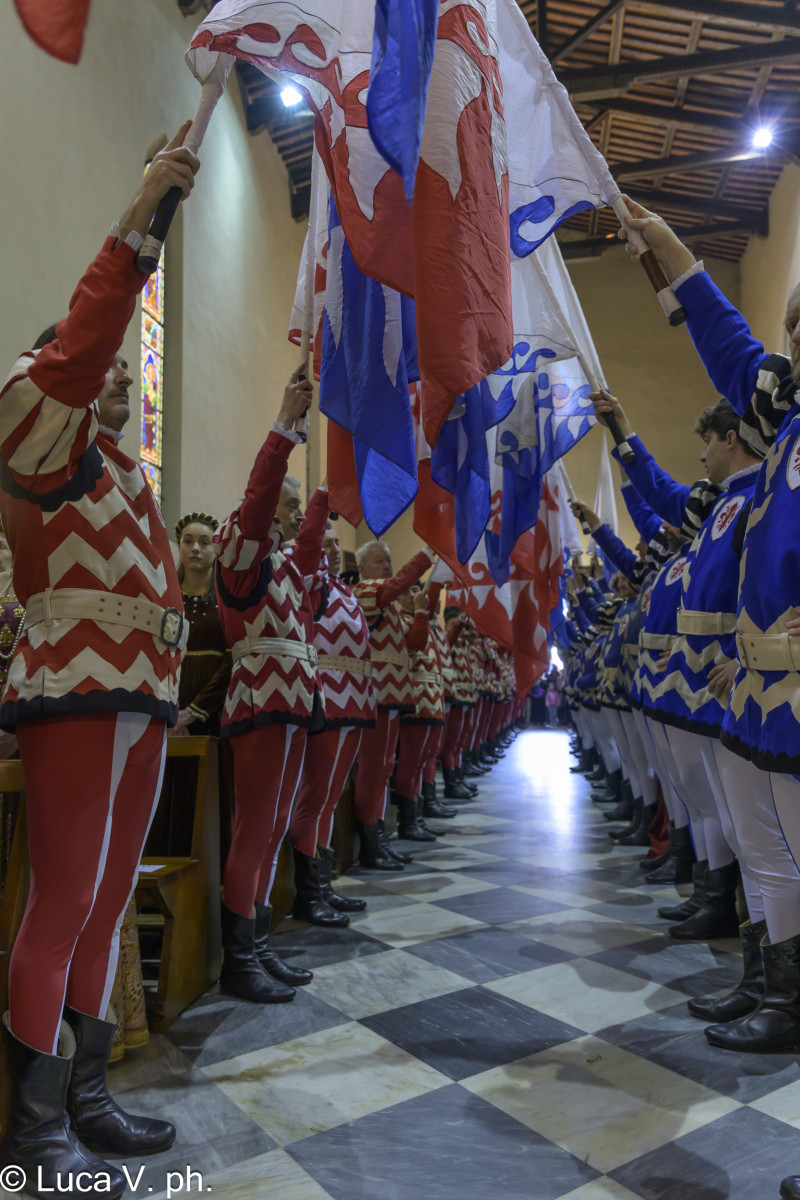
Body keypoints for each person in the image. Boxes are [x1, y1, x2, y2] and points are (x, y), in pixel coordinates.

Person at [0, 126, 200, 1196]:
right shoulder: (41, 431)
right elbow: (80, 346)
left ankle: (84, 1098)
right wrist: (141, 221)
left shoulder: (120, 471)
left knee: (108, 899)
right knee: (63, 900)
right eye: (101, 365)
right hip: (74, 689)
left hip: (140, 695)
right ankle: (33, 1137)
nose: (117, 369)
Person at [214, 397, 322, 1007]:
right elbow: (258, 501)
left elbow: (307, 543)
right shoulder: (241, 546)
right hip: (260, 696)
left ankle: (256, 943)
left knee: (275, 824)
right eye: (289, 502)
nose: (294, 512)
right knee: (254, 829)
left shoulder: (282, 562)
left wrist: (326, 496)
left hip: (293, 698)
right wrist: (283, 430)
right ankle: (238, 962)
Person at [289, 502, 376, 924]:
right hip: (327, 699)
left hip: (353, 701)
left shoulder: (342, 589)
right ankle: (307, 894)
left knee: (328, 799)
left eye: (337, 543)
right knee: (315, 799)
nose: (334, 550)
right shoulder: (308, 581)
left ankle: (323, 885)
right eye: (325, 543)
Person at [351, 540, 435, 862]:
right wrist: (426, 555)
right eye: (379, 561)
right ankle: (371, 844)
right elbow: (397, 584)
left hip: (393, 693)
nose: (386, 566)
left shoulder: (387, 604)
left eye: (388, 560)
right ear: (362, 569)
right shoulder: (366, 592)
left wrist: (421, 611)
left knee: (384, 767)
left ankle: (380, 836)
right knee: (373, 770)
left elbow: (412, 643)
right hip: (377, 693)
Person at [170, 513, 231, 737]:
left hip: (216, 707)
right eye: (188, 541)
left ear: (216, 549)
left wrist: (194, 711)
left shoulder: (227, 600)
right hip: (170, 707)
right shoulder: (167, 598)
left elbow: (233, 659)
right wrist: (170, 712)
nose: (195, 548)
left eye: (204, 543)